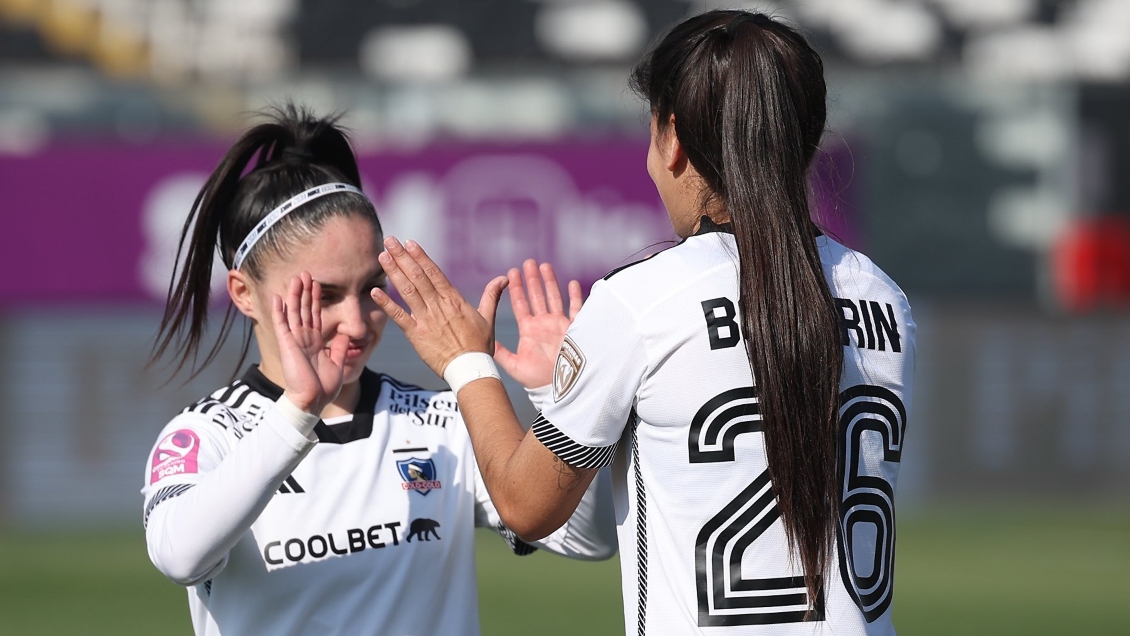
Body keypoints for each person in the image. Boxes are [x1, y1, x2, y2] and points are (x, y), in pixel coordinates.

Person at [370, 9, 915, 636]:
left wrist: (466, 363)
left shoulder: (644, 300)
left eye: (652, 136)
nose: (652, 166)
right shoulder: (884, 298)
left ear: (674, 138)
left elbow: (525, 506)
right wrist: (563, 390)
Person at [141, 106, 616, 636]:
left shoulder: (442, 423)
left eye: (371, 288)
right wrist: (298, 413)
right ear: (244, 293)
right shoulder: (207, 435)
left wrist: (560, 400)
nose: (356, 320)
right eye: (322, 295)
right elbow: (179, 556)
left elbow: (585, 539)